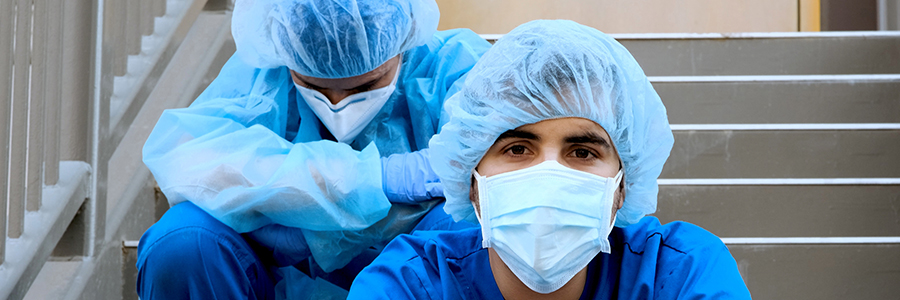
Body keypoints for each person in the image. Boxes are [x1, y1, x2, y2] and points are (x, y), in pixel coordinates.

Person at [347, 19, 752, 299]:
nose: (548, 175)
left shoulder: (681, 274)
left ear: (622, 187)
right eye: (518, 149)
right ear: (471, 182)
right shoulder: (408, 284)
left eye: (582, 151)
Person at [135, 0, 490, 298]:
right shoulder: (261, 76)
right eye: (311, 85)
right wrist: (376, 179)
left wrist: (300, 210)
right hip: (276, 280)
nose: (338, 107)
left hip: (414, 281)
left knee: (473, 228)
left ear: (405, 39)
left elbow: (495, 168)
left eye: (367, 84)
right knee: (184, 240)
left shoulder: (455, 67)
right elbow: (189, 158)